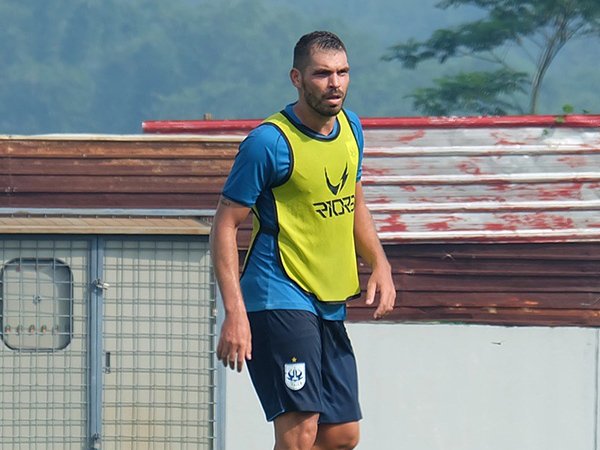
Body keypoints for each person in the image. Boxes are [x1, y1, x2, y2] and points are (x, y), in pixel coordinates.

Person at [209, 30, 396, 450]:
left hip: (328, 298)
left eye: (342, 72)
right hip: (278, 294)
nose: (335, 83)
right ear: (297, 78)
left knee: (342, 435)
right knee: (299, 433)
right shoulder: (267, 143)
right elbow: (224, 225)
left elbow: (353, 200)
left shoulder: (351, 128)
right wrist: (234, 312)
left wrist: (379, 263)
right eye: (322, 74)